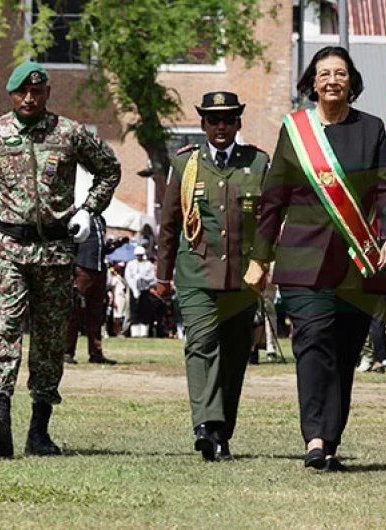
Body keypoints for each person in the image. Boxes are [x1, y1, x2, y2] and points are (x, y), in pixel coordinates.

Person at [244, 46, 386, 471]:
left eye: (340, 73)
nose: (332, 80)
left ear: (352, 80)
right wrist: (260, 258)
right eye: (324, 73)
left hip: (357, 260)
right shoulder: (295, 131)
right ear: (311, 83)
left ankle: (330, 437)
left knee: (345, 350)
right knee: (313, 343)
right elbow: (272, 199)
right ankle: (314, 438)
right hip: (302, 259)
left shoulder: (370, 129)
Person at [0, 62, 121, 458]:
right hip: (6, 248)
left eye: (37, 92)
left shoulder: (68, 133)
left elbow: (109, 169)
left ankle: (39, 430)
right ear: (11, 94)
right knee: (4, 328)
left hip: (54, 251)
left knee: (51, 342)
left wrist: (90, 209)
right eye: (23, 92)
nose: (30, 99)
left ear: (48, 93)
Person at [156, 91, 270, 461]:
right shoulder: (185, 164)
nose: (220, 126)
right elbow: (169, 225)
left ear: (238, 123)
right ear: (203, 124)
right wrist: (162, 275)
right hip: (196, 274)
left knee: (236, 356)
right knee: (202, 345)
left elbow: (269, 223)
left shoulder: (257, 163)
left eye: (228, 119)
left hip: (241, 278)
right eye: (213, 120)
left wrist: (266, 264)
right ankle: (204, 425)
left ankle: (222, 432)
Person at [64, 214, 116, 365]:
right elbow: (71, 244)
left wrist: (111, 247)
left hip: (98, 270)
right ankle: (67, 352)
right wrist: (72, 271)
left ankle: (96, 352)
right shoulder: (79, 217)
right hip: (83, 269)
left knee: (96, 313)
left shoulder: (101, 219)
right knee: (75, 312)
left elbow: (99, 248)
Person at [125, 246, 156, 336]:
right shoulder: (131, 264)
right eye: (138, 255)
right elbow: (128, 277)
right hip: (133, 290)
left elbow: (152, 278)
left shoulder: (148, 264)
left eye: (141, 255)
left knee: (144, 311)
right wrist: (134, 288)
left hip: (145, 290)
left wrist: (144, 278)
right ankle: (135, 332)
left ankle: (143, 332)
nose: (139, 257)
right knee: (134, 310)